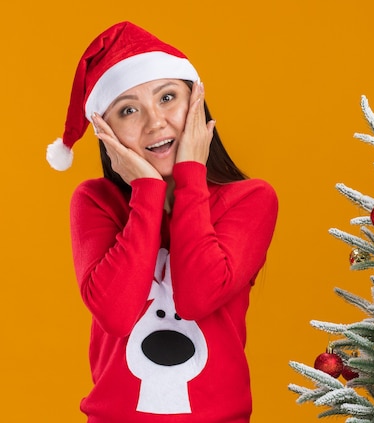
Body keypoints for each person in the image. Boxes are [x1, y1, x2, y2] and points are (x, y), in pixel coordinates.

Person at [47, 21, 278, 423]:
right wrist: (147, 191)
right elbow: (117, 314)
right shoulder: (94, 202)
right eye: (128, 110)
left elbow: (196, 298)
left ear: (196, 103)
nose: (155, 123)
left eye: (167, 98)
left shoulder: (250, 199)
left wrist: (190, 174)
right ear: (106, 131)